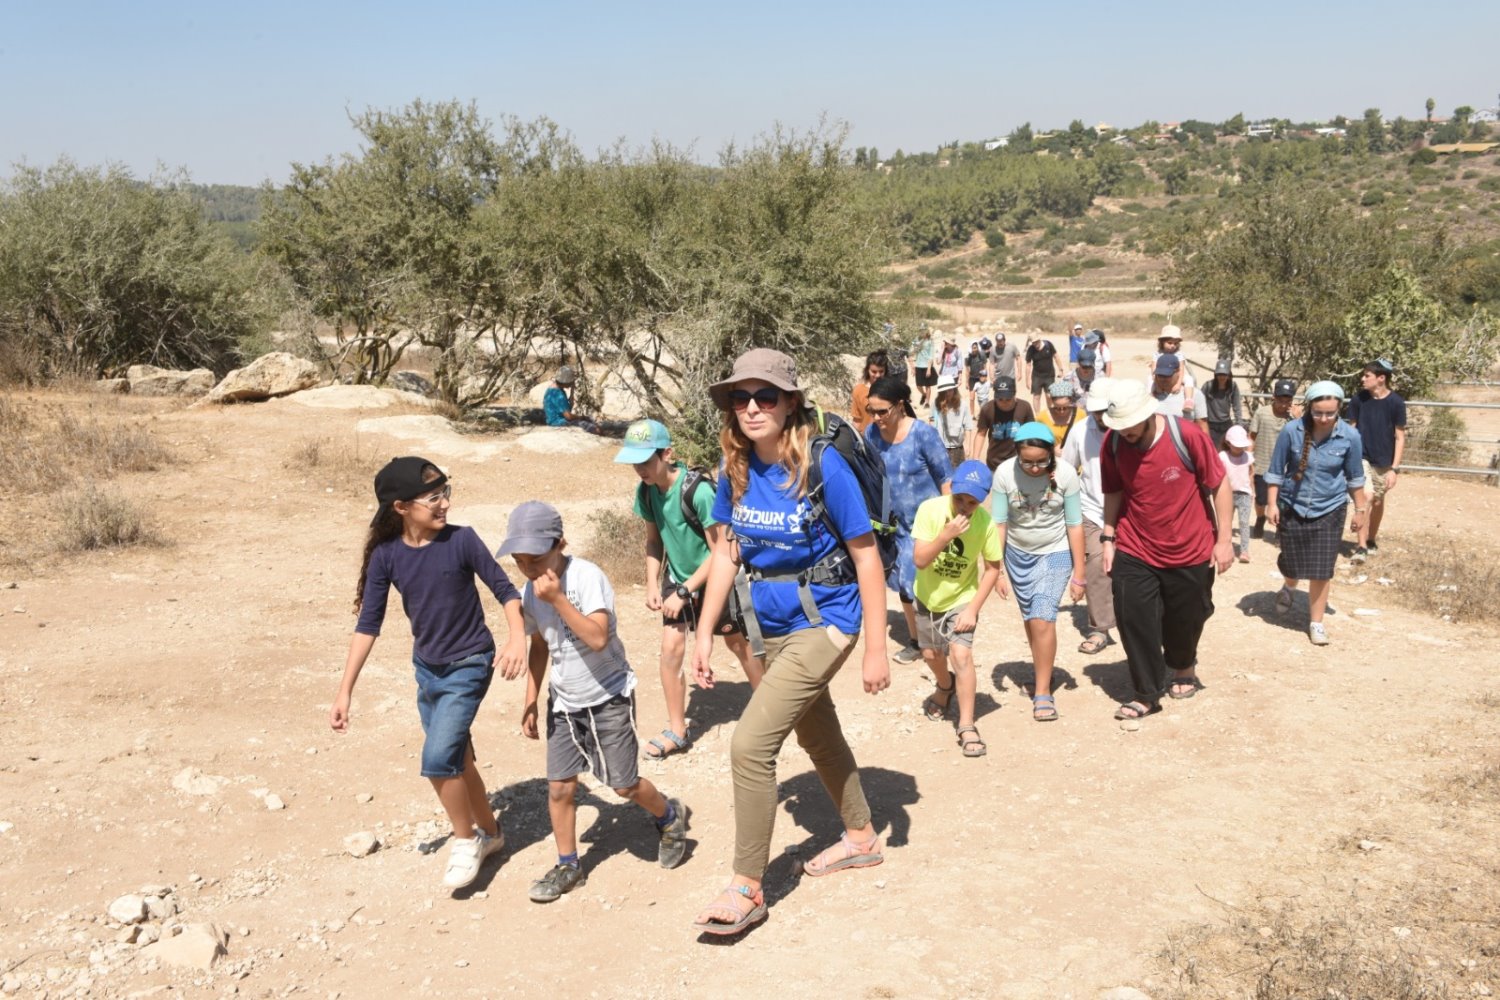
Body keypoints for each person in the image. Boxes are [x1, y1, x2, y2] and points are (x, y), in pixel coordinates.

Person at [689, 349, 890, 937]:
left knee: (750, 746)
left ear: (791, 402)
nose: (752, 408)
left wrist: (876, 645)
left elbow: (866, 557)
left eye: (766, 396)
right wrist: (704, 631)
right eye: (740, 398)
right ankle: (859, 835)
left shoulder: (823, 466)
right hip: (768, 624)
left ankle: (746, 886)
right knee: (816, 731)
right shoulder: (737, 467)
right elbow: (727, 551)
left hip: (827, 619)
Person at [331, 458, 527, 890]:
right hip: (428, 671)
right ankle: (492, 834)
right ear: (400, 507)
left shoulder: (463, 540)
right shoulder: (387, 556)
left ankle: (465, 840)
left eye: (446, 492)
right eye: (434, 498)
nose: (445, 504)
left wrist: (517, 638)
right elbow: (368, 624)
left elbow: (506, 591)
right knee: (459, 759)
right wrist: (345, 690)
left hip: (471, 663)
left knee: (438, 760)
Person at [500, 501, 690, 902]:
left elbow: (598, 637)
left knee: (623, 786)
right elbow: (539, 646)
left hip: (607, 697)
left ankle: (670, 817)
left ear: (560, 543)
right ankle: (569, 864)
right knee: (560, 788)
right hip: (564, 702)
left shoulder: (586, 577)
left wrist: (557, 600)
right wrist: (532, 699)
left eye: (535, 558)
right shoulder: (530, 591)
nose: (529, 568)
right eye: (519, 561)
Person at [614, 420, 762, 760]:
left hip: (712, 580)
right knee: (670, 649)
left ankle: (769, 710)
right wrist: (653, 582)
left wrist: (686, 590)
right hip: (677, 581)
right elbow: (654, 541)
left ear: (667, 454)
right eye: (635, 463)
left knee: (738, 643)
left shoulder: (699, 491)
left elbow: (720, 552)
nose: (640, 470)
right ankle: (677, 730)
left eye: (646, 461)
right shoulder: (646, 491)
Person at [1100, 382, 1234, 721]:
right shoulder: (1114, 442)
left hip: (1189, 545)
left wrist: (1224, 540)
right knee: (1133, 617)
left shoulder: (1186, 435)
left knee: (1186, 617)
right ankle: (1145, 693)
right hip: (1135, 543)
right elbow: (1114, 491)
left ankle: (1182, 665)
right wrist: (1108, 538)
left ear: (1147, 415)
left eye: (1131, 428)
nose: (1126, 434)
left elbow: (1219, 484)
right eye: (1120, 428)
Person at [992, 423, 1087, 722]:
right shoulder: (1005, 474)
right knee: (1032, 620)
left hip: (1056, 552)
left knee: (1043, 617)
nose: (1034, 468)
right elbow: (999, 523)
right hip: (1018, 554)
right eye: (1027, 461)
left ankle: (1043, 692)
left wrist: (1079, 574)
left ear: (1052, 455)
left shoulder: (1067, 475)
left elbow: (1074, 524)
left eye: (1041, 461)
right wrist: (996, 571)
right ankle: (1040, 673)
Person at [1264, 382, 1369, 646]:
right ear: (1309, 407)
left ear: (1339, 410)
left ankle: (1316, 622)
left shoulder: (1350, 437)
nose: (1323, 419)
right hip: (1293, 504)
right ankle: (1289, 586)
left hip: (1330, 508)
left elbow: (1355, 477)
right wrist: (1272, 503)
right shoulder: (1291, 431)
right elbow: (1276, 470)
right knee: (1291, 561)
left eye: (1330, 414)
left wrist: (1360, 510)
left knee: (1322, 569)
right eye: (1318, 412)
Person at [911, 461, 1004, 756]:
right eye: (959, 499)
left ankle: (966, 725)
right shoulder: (930, 510)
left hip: (961, 598)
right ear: (951, 489)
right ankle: (944, 685)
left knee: (961, 655)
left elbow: (992, 568)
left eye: (972, 502)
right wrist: (946, 535)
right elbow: (920, 561)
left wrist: (972, 609)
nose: (964, 507)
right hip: (927, 597)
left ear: (982, 500)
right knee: (931, 654)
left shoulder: (985, 524)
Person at [865, 376, 953, 664]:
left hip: (928, 525)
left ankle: (939, 638)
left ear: (900, 406)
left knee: (923, 582)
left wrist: (948, 522)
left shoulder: (922, 434)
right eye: (872, 411)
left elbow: (945, 477)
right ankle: (917, 641)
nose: (876, 418)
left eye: (882, 411)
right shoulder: (871, 436)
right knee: (903, 583)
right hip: (893, 526)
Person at [1059, 378, 1118, 654]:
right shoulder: (1081, 431)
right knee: (1096, 561)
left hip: (1130, 512)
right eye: (1096, 410)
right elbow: (1067, 470)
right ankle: (1100, 628)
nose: (1100, 416)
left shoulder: (1130, 428)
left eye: (1104, 410)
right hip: (1093, 510)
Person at [1346, 358, 1406, 563]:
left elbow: (1400, 436)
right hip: (1360, 457)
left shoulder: (1396, 402)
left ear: (1381, 379)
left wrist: (1394, 469)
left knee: (1378, 500)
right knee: (1367, 497)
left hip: (1384, 461)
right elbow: (1351, 429)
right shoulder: (1358, 400)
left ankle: (1371, 539)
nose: (1363, 379)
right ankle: (1361, 546)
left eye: (1367, 376)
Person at [1249, 379, 1298, 539]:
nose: (1284, 405)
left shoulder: (1294, 418)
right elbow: (1252, 436)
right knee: (1261, 499)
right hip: (1263, 463)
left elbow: (1303, 437)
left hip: (1286, 466)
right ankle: (1260, 518)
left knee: (1283, 499)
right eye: (1280, 400)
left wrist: (1298, 418)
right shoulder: (1262, 413)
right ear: (1273, 397)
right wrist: (1248, 459)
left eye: (1287, 401)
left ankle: (1280, 525)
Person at [971, 375, 1036, 471]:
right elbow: (981, 434)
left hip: (1018, 462)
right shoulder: (987, 409)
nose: (1004, 402)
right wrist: (975, 459)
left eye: (1008, 399)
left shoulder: (1024, 407)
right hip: (994, 463)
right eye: (1000, 399)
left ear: (1014, 394)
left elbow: (1031, 432)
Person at [1219, 425, 1255, 564]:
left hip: (1244, 493)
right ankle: (1225, 546)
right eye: (1236, 445)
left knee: (1244, 522)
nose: (1240, 448)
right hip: (1227, 494)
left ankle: (1244, 551)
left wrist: (1253, 490)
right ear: (1228, 443)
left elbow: (1251, 472)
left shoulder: (1248, 456)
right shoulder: (1222, 457)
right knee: (1226, 521)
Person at [1200, 359, 1245, 448]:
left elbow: (1237, 406)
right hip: (1211, 426)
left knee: (1227, 451)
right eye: (1219, 374)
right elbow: (1199, 404)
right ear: (1216, 375)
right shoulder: (1208, 386)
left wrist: (1239, 425)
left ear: (1228, 375)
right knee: (1212, 451)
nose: (1222, 377)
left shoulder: (1233, 386)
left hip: (1226, 425)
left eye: (1224, 374)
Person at [931, 376, 972, 470]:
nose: (947, 393)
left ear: (954, 389)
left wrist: (968, 445)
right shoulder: (936, 404)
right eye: (944, 391)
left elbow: (968, 427)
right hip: (940, 447)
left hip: (957, 448)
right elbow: (932, 421)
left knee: (957, 475)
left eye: (950, 390)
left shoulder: (963, 405)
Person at [1153, 326, 1196, 411]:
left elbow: (1181, 369)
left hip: (1177, 375)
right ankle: (1150, 398)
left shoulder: (1179, 354)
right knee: (1149, 381)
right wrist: (1157, 383)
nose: (1173, 346)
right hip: (1158, 375)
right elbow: (1154, 368)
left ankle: (1188, 400)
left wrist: (1178, 383)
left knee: (1189, 379)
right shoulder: (1157, 354)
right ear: (1162, 342)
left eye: (1175, 343)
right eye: (1169, 343)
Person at [542, 366, 597, 431]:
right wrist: (581, 417)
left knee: (590, 420)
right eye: (571, 382)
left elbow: (569, 407)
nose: (572, 383)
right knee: (594, 428)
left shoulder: (551, 389)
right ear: (566, 382)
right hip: (558, 423)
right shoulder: (559, 395)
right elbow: (568, 416)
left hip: (553, 421)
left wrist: (572, 391)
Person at [1039, 379, 1085, 449]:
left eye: (1065, 408)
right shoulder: (1042, 417)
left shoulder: (1081, 414)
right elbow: (1038, 442)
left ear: (1071, 401)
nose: (1062, 411)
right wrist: (1052, 451)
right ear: (1052, 401)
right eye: (1057, 408)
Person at [851, 351, 889, 433]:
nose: (878, 375)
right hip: (865, 437)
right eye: (874, 372)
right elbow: (857, 419)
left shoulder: (892, 389)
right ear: (867, 370)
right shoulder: (859, 390)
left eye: (881, 371)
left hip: (887, 437)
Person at [1025, 334, 1059, 412]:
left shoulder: (1048, 345)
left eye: (1037, 342)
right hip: (1037, 376)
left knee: (1049, 395)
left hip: (1049, 375)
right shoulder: (1031, 349)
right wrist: (1027, 380)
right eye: (1033, 342)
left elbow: (1056, 356)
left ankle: (1051, 413)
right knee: (1036, 396)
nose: (1035, 344)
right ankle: (1038, 416)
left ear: (1039, 340)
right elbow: (1028, 365)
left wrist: (1060, 369)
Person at [912, 327, 938, 406]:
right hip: (918, 365)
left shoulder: (930, 341)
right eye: (921, 330)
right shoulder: (917, 339)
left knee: (927, 385)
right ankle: (924, 394)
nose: (922, 332)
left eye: (924, 330)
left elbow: (931, 355)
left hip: (927, 365)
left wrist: (929, 369)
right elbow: (913, 350)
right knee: (918, 385)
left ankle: (927, 402)